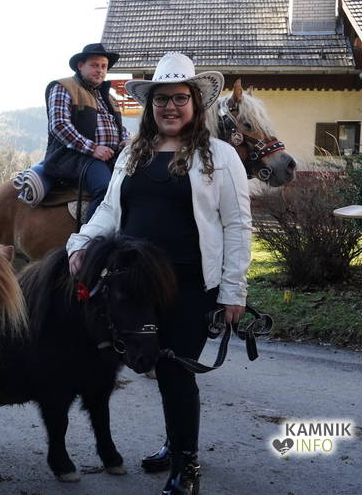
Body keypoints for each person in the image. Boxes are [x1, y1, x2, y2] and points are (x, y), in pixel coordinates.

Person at [65, 52, 252, 495]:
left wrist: (233, 290)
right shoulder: (133, 153)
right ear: (150, 106)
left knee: (175, 371)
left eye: (180, 98)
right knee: (152, 365)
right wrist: (81, 242)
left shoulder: (220, 156)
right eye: (162, 99)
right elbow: (110, 211)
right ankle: (175, 442)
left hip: (189, 286)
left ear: (195, 103)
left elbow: (237, 225)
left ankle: (187, 465)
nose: (171, 107)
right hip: (135, 287)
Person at [32, 43, 128, 221]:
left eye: (104, 66)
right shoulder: (63, 86)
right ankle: (91, 236)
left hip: (109, 156)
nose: (100, 70)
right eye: (94, 65)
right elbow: (59, 125)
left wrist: (128, 141)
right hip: (73, 156)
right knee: (106, 189)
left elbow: (119, 128)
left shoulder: (108, 97)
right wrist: (93, 149)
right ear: (80, 65)